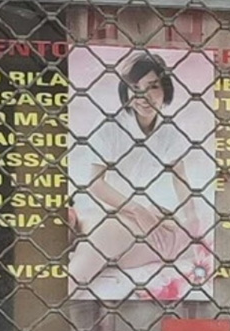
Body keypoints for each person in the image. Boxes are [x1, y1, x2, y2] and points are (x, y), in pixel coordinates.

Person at [71, 50, 216, 299]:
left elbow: (181, 180)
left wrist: (192, 220)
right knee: (104, 237)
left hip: (146, 216)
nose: (143, 97)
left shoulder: (169, 132)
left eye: (153, 87)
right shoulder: (110, 127)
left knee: (176, 234)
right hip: (107, 210)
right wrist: (137, 210)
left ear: (166, 90)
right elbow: (95, 185)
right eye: (135, 88)